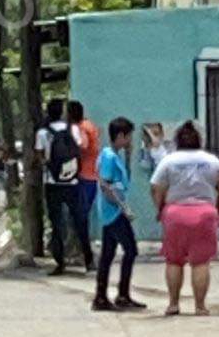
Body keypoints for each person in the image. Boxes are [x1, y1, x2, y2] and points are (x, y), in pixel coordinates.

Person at [151, 120, 219, 316]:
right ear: (199, 140)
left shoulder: (169, 161)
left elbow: (156, 187)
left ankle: (173, 304)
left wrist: (161, 208)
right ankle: (200, 306)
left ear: (177, 140)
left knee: (174, 261)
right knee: (201, 262)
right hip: (204, 213)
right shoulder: (211, 160)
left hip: (175, 213)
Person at [93, 118, 146, 313]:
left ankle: (101, 296)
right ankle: (121, 294)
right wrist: (123, 207)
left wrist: (130, 154)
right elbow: (105, 185)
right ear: (121, 136)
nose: (131, 139)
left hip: (112, 210)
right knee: (130, 250)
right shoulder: (108, 156)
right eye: (129, 136)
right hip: (113, 211)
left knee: (108, 254)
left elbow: (125, 180)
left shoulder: (115, 156)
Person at [36, 98, 94, 277]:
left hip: (52, 183)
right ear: (62, 112)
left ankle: (60, 263)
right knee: (80, 221)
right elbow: (78, 149)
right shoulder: (73, 129)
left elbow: (39, 157)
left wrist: (48, 163)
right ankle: (89, 259)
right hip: (73, 182)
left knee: (56, 224)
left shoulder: (43, 133)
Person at [68, 100, 101, 236]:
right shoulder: (89, 125)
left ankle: (81, 243)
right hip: (91, 174)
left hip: (84, 175)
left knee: (80, 212)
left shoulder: (81, 127)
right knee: (83, 211)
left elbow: (84, 144)